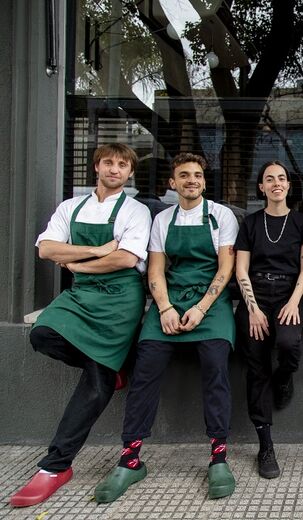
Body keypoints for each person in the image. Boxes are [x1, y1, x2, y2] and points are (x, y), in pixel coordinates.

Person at [9, 144, 151, 508]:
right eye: (109, 163)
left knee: (95, 382)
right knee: (42, 334)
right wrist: (98, 251)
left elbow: (126, 258)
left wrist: (77, 263)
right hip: (80, 295)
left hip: (120, 299)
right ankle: (113, 366)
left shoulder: (135, 210)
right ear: (96, 167)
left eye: (122, 164)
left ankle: (55, 466)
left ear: (130, 173)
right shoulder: (70, 207)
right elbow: (46, 249)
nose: (115, 169)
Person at [94, 152, 239, 502]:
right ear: (173, 183)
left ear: (204, 181)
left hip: (211, 304)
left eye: (198, 175)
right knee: (145, 367)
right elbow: (156, 269)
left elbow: (226, 269)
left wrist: (201, 308)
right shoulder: (162, 219)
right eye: (184, 175)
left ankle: (219, 457)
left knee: (216, 366)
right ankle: (130, 460)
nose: (192, 180)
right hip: (169, 301)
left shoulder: (221, 216)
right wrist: (165, 308)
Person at [234, 161, 303, 479]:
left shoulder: (302, 223)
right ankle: (265, 445)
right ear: (261, 187)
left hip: (289, 293)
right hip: (256, 295)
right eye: (270, 179)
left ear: (288, 186)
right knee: (257, 369)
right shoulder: (251, 223)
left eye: (281, 178)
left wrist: (294, 301)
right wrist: (252, 308)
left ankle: (284, 377)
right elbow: (241, 268)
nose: (276, 183)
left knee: (288, 343)